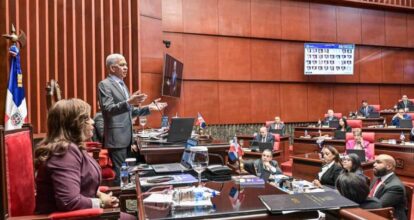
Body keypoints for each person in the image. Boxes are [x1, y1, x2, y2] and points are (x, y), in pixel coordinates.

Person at [34, 99, 135, 219]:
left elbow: (80, 182)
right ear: (72, 124)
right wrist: (100, 203)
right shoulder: (64, 153)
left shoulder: (73, 147)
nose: (92, 122)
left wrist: (99, 194)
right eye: (86, 119)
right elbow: (69, 201)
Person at [98, 53, 167, 185]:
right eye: (122, 65)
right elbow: (107, 109)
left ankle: (128, 200)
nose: (126, 67)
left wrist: (149, 108)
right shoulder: (104, 85)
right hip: (117, 137)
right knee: (121, 174)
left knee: (128, 173)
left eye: (126, 65)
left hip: (128, 137)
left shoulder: (123, 85)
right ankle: (118, 201)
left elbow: (129, 111)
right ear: (112, 68)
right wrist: (129, 101)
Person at [370, 154, 407, 220]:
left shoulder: (396, 187)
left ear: (389, 166)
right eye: (374, 162)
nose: (374, 165)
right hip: (376, 213)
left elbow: (379, 206)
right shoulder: (377, 178)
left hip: (390, 217)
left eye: (378, 162)